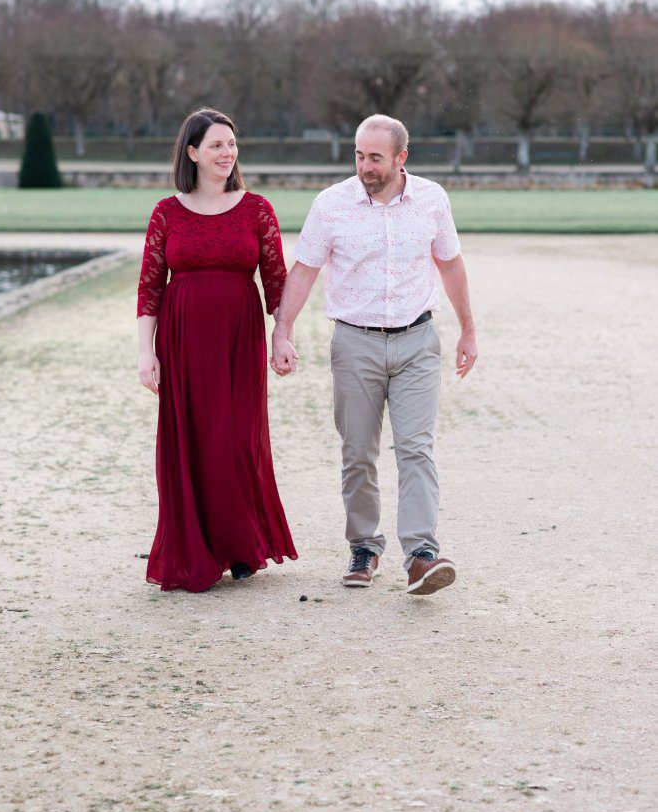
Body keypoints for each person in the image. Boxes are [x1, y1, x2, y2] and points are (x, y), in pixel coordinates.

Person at [271, 114, 477, 596]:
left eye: (376, 157)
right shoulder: (332, 205)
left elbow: (449, 264)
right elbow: (303, 271)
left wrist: (468, 329)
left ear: (401, 157)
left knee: (415, 449)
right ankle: (365, 546)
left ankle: (421, 556)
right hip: (355, 342)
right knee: (357, 452)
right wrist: (282, 329)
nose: (365, 165)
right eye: (360, 155)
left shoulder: (431, 199)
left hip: (418, 342)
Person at [137, 107, 297, 592]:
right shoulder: (167, 211)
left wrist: (283, 336)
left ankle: (241, 545)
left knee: (236, 437)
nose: (227, 153)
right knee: (191, 440)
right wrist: (147, 353)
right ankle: (197, 547)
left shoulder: (257, 209)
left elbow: (277, 283)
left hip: (238, 337)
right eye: (216, 146)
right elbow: (149, 288)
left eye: (231, 144)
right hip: (182, 338)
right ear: (192, 152)